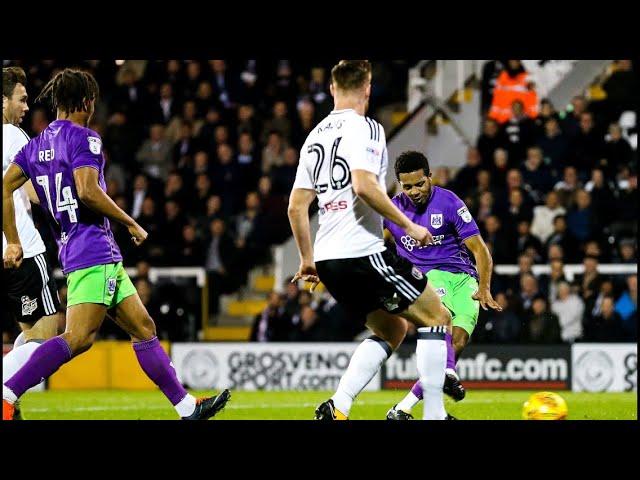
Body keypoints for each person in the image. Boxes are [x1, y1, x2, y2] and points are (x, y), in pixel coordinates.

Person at [3, 68, 229, 420]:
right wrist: (131, 222)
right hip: (93, 248)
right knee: (77, 338)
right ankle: (7, 392)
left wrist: (13, 238)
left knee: (144, 328)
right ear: (86, 101)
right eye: (93, 101)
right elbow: (87, 190)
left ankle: (187, 408)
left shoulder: (34, 146)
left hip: (80, 248)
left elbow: (5, 187)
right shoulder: (85, 138)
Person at [288, 60, 452, 421]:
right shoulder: (368, 128)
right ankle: (435, 416)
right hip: (363, 253)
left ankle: (338, 407)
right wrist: (408, 225)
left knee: (393, 328)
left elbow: (296, 207)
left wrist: (307, 259)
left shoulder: (314, 136)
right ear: (368, 88)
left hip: (330, 260)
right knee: (437, 316)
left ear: (332, 88)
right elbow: (363, 186)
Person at [383, 151, 502, 420]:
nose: (414, 191)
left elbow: (480, 250)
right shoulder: (391, 210)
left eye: (419, 184)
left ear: (430, 177)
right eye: (407, 186)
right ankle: (448, 375)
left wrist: (484, 287)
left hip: (463, 279)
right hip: (425, 277)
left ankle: (403, 408)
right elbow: (368, 245)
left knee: (457, 341)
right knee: (443, 323)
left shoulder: (450, 203)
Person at [2, 67, 65, 420]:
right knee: (48, 337)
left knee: (29, 336)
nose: (26, 107)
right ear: (3, 100)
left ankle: (10, 405)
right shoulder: (13, 135)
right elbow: (34, 188)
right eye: (22, 99)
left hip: (7, 253)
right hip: (23, 249)